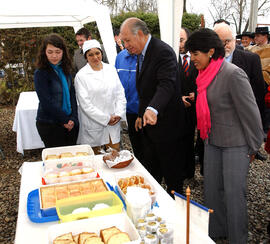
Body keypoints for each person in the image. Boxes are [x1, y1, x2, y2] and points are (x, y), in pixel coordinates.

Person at [185, 28, 264, 244]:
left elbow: (251, 114)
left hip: (235, 145)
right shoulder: (202, 75)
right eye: (190, 54)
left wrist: (252, 147)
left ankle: (238, 238)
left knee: (234, 196)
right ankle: (217, 233)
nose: (192, 59)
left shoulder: (232, 74)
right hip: (211, 142)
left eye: (195, 54)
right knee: (212, 191)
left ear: (211, 51)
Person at [120, 17, 186, 196]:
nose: (125, 45)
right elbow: (146, 89)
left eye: (127, 40)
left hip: (168, 128)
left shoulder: (162, 51)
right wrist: (142, 113)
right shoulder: (141, 53)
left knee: (172, 178)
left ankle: (175, 213)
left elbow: (166, 84)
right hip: (150, 128)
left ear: (140, 34)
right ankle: (153, 207)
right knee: (151, 174)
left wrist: (152, 109)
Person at [214, 22, 266, 161]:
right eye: (220, 42)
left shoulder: (251, 59)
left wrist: (256, 132)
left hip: (240, 126)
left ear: (234, 40)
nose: (225, 45)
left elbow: (258, 94)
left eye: (228, 41)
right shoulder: (207, 62)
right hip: (215, 128)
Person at [74, 39, 126, 154]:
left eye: (97, 53)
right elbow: (85, 104)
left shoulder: (111, 70)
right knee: (96, 160)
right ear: (86, 57)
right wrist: (106, 118)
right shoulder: (81, 76)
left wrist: (118, 114)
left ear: (101, 53)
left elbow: (120, 93)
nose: (95, 57)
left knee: (114, 157)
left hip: (113, 123)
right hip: (93, 125)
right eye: (90, 54)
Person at [34, 33, 79, 148]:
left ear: (63, 52)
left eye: (58, 52)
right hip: (50, 124)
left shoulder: (66, 69)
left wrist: (73, 118)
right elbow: (46, 101)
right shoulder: (41, 73)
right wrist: (64, 119)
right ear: (44, 52)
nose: (54, 56)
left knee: (71, 158)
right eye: (50, 52)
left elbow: (71, 94)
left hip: (70, 123)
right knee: (57, 161)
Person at [115, 48, 144, 162]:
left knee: (147, 145)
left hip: (144, 110)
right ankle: (140, 166)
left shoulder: (145, 56)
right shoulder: (120, 57)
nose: (127, 45)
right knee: (135, 143)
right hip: (128, 110)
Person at [179, 27, 198, 179]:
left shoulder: (197, 58)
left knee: (190, 139)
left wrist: (196, 94)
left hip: (194, 107)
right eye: (176, 40)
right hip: (175, 107)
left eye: (181, 40)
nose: (179, 44)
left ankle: (189, 172)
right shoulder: (170, 59)